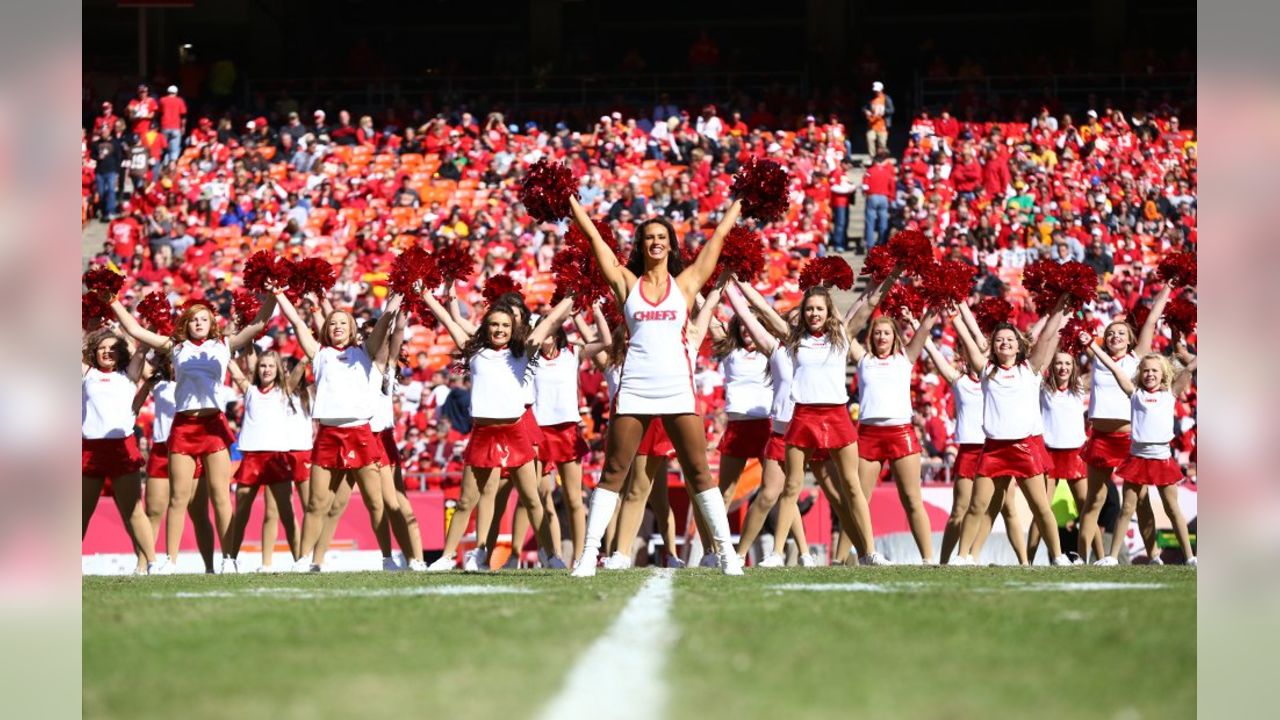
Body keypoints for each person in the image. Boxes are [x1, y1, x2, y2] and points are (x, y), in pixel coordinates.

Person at [568, 195, 746, 577]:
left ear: (670, 243)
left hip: (676, 389)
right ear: (641, 244)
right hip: (633, 386)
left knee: (698, 471)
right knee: (614, 470)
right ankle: (587, 556)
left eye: (662, 236)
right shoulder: (625, 283)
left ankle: (728, 555)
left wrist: (739, 203)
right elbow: (595, 240)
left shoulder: (684, 285)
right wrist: (570, 202)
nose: (655, 242)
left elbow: (717, 239)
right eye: (649, 237)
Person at [109, 293, 276, 574]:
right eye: (193, 319)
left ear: (212, 323)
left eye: (204, 319)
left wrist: (275, 295)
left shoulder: (223, 344)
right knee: (179, 497)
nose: (198, 323)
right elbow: (136, 331)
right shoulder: (175, 346)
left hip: (213, 426)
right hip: (185, 426)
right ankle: (170, 561)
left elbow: (258, 324)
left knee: (220, 495)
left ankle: (229, 559)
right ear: (185, 324)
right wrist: (112, 300)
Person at [423, 291, 575, 571]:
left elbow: (551, 320)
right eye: (494, 325)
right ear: (486, 327)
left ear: (513, 328)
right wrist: (426, 296)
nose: (500, 330)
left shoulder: (523, 353)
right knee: (467, 499)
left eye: (505, 326)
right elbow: (447, 320)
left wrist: (572, 295)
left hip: (515, 433)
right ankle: (447, 557)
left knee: (531, 498)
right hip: (483, 434)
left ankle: (550, 555)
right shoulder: (476, 352)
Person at [272, 289, 399, 572]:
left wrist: (398, 295)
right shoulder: (319, 353)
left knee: (374, 501)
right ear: (326, 329)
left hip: (360, 432)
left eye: (343, 323)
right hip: (328, 435)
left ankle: (388, 559)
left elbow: (384, 323)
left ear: (352, 328)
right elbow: (296, 322)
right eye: (332, 323)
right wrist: (279, 294)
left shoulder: (364, 352)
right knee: (317, 502)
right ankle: (304, 560)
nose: (337, 327)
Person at [953, 296, 1075, 566]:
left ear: (1019, 345)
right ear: (993, 347)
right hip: (994, 449)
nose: (1004, 343)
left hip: (1025, 448)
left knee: (1041, 507)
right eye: (999, 340)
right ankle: (963, 557)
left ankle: (1057, 557)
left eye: (1009, 339)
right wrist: (954, 317)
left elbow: (1045, 337)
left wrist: (1058, 308)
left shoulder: (1030, 369)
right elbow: (970, 342)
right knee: (977, 506)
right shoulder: (986, 370)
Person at [782, 279, 894, 567]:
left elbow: (868, 304)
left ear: (829, 311)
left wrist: (891, 274)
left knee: (852, 486)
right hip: (804, 416)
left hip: (837, 416)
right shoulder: (794, 338)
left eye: (819, 309)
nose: (814, 314)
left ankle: (869, 552)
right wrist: (732, 282)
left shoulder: (842, 336)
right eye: (809, 309)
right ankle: (774, 555)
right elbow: (763, 313)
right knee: (791, 485)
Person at [1078, 286, 1171, 563]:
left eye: (1120, 332)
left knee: (1140, 501)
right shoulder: (1096, 356)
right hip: (1100, 438)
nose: (1114, 335)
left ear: (1130, 338)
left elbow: (1152, 319)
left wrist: (1169, 286)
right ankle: (1082, 557)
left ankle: (1154, 554)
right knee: (1094, 500)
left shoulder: (1138, 357)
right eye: (1109, 333)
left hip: (1130, 438)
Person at [923, 324, 1027, 566]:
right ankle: (945, 562)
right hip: (970, 451)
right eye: (967, 355)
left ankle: (1023, 562)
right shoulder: (958, 381)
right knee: (960, 510)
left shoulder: (998, 376)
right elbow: (936, 357)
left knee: (1006, 509)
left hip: (996, 448)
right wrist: (923, 334)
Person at [1087, 344, 1197, 566]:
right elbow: (1115, 369)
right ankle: (1112, 557)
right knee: (1127, 508)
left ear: (1163, 374)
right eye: (1146, 370)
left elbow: (1188, 369)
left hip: (1162, 458)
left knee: (1172, 509)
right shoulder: (1134, 393)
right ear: (1140, 374)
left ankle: (1190, 557)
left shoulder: (1170, 394)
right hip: (1137, 459)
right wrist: (1092, 346)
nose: (1149, 374)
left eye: (1155, 371)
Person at [851, 308, 940, 564]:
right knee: (859, 500)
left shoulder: (905, 358)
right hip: (869, 434)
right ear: (871, 336)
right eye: (877, 333)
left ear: (895, 337)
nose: (881, 337)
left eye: (886, 333)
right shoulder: (863, 359)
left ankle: (928, 559)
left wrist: (936, 303)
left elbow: (923, 329)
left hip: (901, 433)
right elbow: (846, 332)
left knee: (912, 499)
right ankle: (846, 558)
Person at [134, 352, 216, 574]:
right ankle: (143, 566)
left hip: (191, 449)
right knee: (153, 512)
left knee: (199, 513)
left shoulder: (197, 379)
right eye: (171, 360)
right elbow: (139, 353)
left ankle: (210, 567)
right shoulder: (157, 381)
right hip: (162, 450)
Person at [82, 329, 156, 573]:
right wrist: (91, 321)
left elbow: (144, 344)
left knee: (134, 511)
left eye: (113, 348)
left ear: (122, 352)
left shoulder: (129, 375)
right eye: (102, 347)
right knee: (80, 513)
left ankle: (150, 564)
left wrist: (152, 323)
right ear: (94, 351)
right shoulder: (86, 373)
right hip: (89, 449)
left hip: (122, 447)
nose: (107, 352)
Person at [223, 351, 305, 572]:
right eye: (262, 366)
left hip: (276, 458)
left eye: (271, 366)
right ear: (257, 370)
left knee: (287, 514)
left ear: (278, 369)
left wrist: (307, 354)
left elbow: (299, 370)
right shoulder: (249, 391)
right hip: (251, 458)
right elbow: (231, 364)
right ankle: (230, 560)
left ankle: (300, 561)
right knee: (241, 513)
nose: (267, 370)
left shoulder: (284, 391)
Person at [1031, 348, 1092, 563]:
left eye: (1068, 363)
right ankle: (1026, 560)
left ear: (1074, 366)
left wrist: (1086, 343)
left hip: (1075, 453)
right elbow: (1038, 363)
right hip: (1049, 454)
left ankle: (1099, 558)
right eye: (1058, 363)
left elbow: (1101, 367)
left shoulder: (1080, 387)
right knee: (1042, 509)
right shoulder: (1042, 388)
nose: (1063, 367)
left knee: (1087, 508)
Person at [862, 151, 894, 252]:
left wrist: (866, 193)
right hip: (884, 197)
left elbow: (865, 186)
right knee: (883, 221)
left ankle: (870, 246)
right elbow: (892, 186)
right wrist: (890, 198)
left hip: (872, 196)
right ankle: (882, 243)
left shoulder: (869, 171)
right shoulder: (888, 172)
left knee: (870, 222)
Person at [158, 85, 187, 166]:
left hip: (165, 126)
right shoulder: (180, 101)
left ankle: (162, 167)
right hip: (176, 127)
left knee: (163, 149)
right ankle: (171, 168)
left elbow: (159, 112)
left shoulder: (162, 100)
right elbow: (183, 115)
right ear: (176, 92)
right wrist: (183, 127)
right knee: (174, 151)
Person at [863, 81, 893, 155]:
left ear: (881, 90)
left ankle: (882, 158)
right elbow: (864, 107)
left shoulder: (886, 98)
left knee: (882, 144)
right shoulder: (870, 99)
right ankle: (872, 158)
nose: (876, 92)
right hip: (871, 125)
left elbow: (891, 110)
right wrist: (866, 111)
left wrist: (883, 111)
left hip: (882, 126)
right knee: (870, 139)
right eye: (875, 91)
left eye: (878, 91)